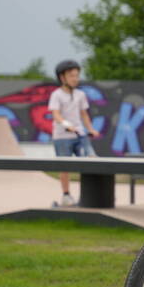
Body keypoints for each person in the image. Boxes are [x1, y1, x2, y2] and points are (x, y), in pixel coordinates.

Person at [48, 60, 100, 206]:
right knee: (65, 167)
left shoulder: (80, 94)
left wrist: (90, 129)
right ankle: (66, 196)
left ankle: (90, 195)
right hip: (62, 137)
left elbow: (84, 114)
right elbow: (56, 114)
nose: (75, 79)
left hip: (80, 135)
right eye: (71, 76)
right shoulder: (56, 95)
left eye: (77, 76)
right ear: (62, 78)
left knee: (90, 160)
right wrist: (67, 125)